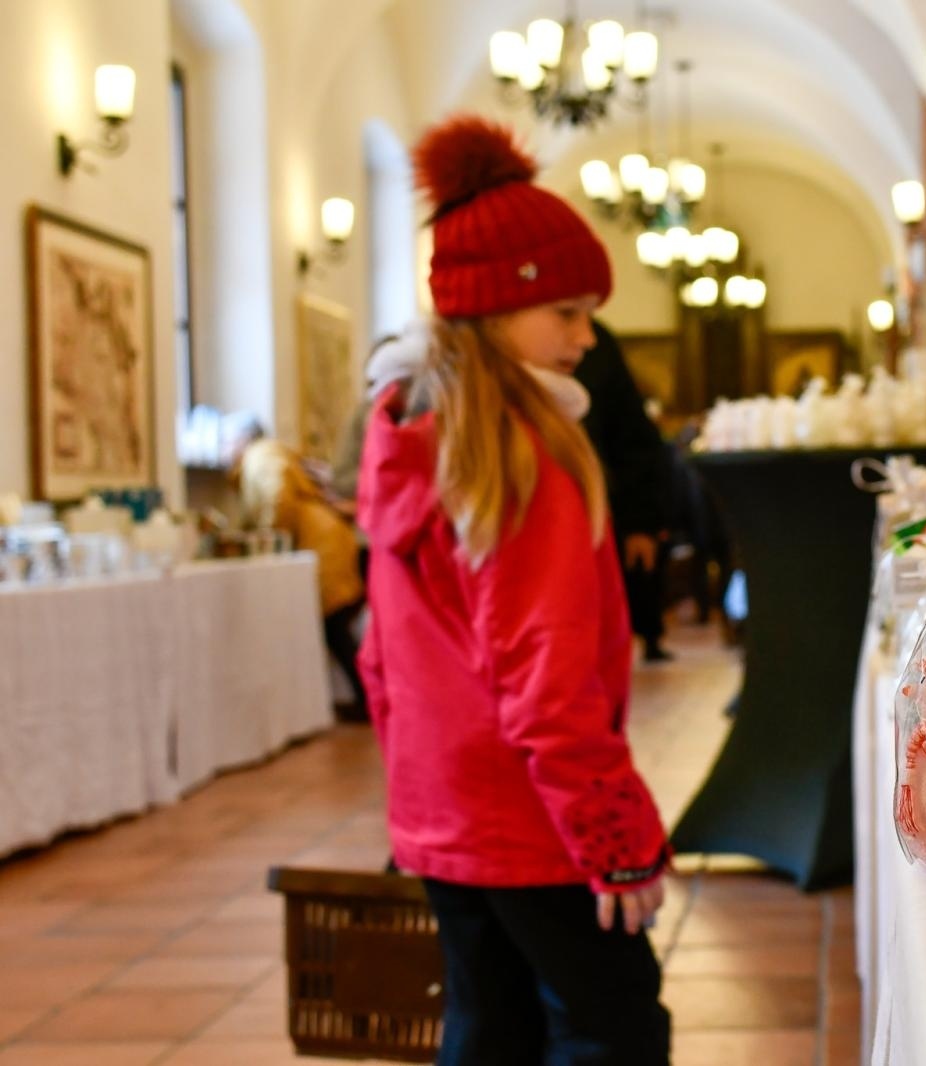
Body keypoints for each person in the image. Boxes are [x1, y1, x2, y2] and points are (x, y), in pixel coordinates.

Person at [356, 115, 671, 1065]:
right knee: (610, 1028)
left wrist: (420, 794)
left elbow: (382, 657)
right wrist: (614, 833)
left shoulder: (411, 443)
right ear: (492, 309)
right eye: (565, 313)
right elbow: (545, 670)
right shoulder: (525, 460)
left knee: (487, 1030)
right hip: (534, 818)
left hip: (442, 810)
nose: (586, 338)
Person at [234, 434, 367, 721]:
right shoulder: (273, 450)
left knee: (334, 627)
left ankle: (364, 699)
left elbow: (278, 493)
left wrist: (269, 539)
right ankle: (361, 697)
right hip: (328, 538)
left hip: (321, 545)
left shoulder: (260, 454)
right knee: (336, 628)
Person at [574, 321, 674, 661]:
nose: (582, 337)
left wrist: (640, 521)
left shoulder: (597, 345)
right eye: (565, 314)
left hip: (598, 521)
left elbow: (632, 440)